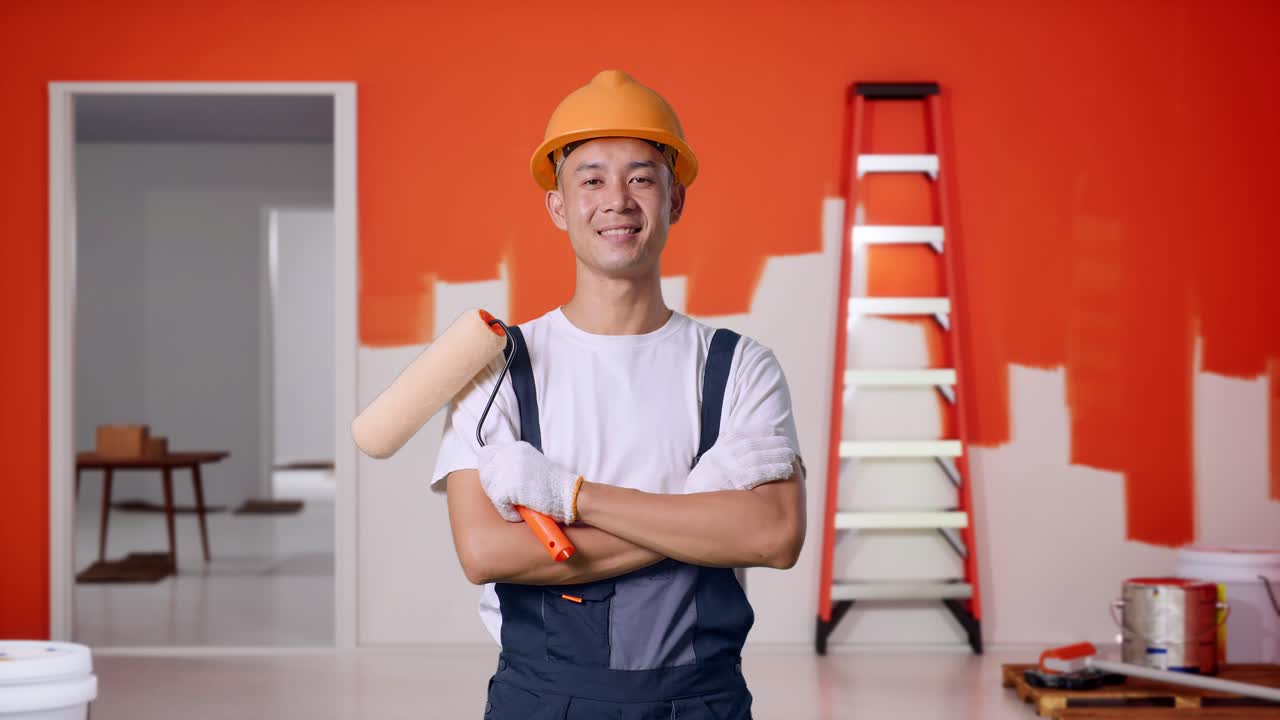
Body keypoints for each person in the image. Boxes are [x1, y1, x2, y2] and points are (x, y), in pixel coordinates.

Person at [431, 69, 806, 720]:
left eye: (641, 177)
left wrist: (571, 498)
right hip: (543, 702)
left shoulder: (742, 368)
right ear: (557, 205)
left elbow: (774, 536)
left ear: (675, 199)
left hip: (701, 704)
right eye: (592, 178)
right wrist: (701, 518)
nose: (618, 200)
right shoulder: (495, 369)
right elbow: (484, 552)